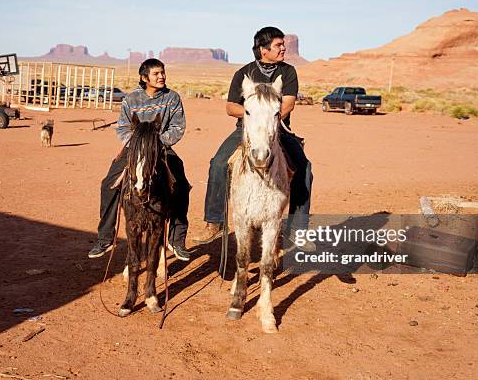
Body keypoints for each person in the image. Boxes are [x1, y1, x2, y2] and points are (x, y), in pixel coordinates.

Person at [193, 27, 313, 245]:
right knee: (218, 163)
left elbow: (288, 103)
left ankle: (298, 228)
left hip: (278, 130)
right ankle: (214, 221)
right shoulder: (243, 74)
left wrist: (268, 119)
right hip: (245, 130)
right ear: (263, 49)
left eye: (284, 44)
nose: (283, 48)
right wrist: (254, 114)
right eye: (278, 45)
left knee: (305, 169)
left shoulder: (288, 72)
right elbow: (230, 107)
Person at [88, 58, 191, 261]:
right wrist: (138, 146)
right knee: (109, 184)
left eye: (163, 72)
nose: (161, 76)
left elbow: (178, 127)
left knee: (181, 185)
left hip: (162, 148)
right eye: (156, 74)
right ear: (144, 78)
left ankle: (177, 240)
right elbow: (123, 127)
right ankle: (105, 238)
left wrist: (156, 144)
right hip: (134, 149)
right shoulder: (131, 99)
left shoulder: (172, 98)